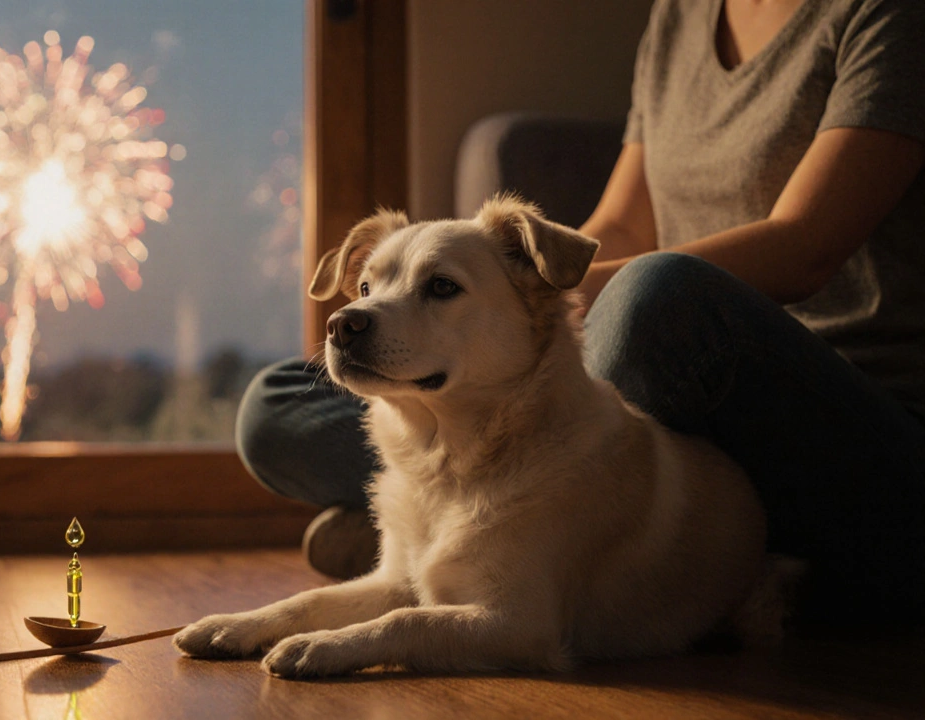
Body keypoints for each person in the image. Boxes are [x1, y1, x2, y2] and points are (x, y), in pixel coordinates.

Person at [237, 0, 925, 624]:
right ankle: (469, 540)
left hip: (836, 414)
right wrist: (516, 284)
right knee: (276, 405)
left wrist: (523, 290)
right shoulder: (682, 15)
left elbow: (807, 246)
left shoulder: (887, 13)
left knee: (658, 294)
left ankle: (462, 542)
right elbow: (621, 227)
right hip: (658, 417)